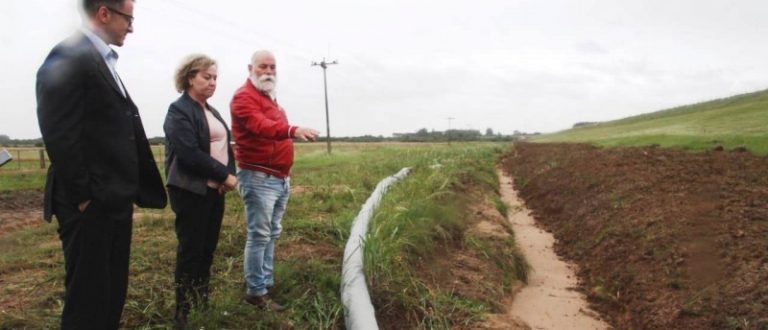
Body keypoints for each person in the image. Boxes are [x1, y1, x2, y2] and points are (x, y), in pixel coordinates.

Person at [35, 1, 167, 329]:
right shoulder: (69, 56)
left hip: (112, 199)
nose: (132, 27)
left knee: (110, 294)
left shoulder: (101, 59)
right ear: (104, 13)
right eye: (128, 18)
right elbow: (59, 131)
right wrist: (84, 195)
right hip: (90, 204)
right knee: (88, 300)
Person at [230, 50, 319, 311]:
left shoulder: (270, 99)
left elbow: (273, 128)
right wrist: (293, 130)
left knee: (271, 233)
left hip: (278, 178)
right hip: (258, 177)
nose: (268, 71)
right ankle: (256, 292)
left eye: (272, 67)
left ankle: (265, 282)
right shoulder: (243, 97)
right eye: (263, 67)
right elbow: (262, 126)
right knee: (259, 235)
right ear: (250, 68)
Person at [163, 54, 237, 327]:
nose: (212, 82)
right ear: (190, 77)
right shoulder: (178, 111)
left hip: (214, 191)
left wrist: (230, 175)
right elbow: (189, 154)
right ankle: (182, 313)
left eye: (215, 77)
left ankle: (200, 302)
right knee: (190, 250)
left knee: (207, 249)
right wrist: (223, 175)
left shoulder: (212, 111)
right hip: (190, 191)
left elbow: (226, 149)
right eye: (207, 77)